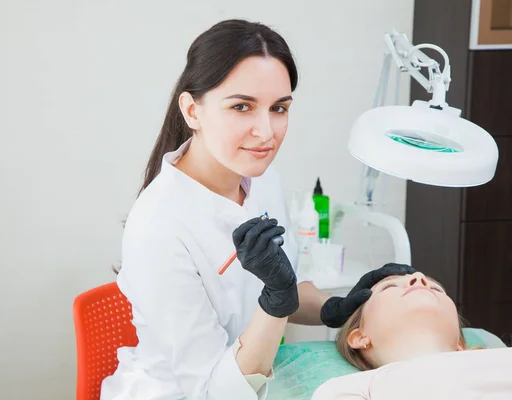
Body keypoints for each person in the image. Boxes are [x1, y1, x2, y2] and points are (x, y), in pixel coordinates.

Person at [100, 19, 415, 400]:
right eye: (242, 107)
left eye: (279, 108)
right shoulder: (158, 226)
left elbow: (287, 282)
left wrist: (334, 307)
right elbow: (212, 390)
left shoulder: (262, 179)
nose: (266, 132)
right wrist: (277, 299)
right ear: (192, 111)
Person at [312, 271, 512, 399]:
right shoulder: (353, 388)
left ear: (459, 343)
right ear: (360, 337)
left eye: (436, 289)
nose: (418, 277)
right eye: (389, 286)